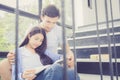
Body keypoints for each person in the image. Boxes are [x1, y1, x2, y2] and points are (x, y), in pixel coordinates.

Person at [0, 4, 79, 80]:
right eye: (48, 21)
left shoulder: (58, 31)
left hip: (50, 61)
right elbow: (23, 47)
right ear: (42, 17)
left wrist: (69, 57)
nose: (51, 26)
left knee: (71, 73)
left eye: (54, 22)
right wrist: (12, 55)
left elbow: (67, 51)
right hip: (41, 68)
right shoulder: (33, 30)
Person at [11, 26, 79, 80]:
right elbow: (14, 77)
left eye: (41, 41)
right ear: (29, 36)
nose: (38, 43)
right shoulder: (18, 52)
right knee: (55, 68)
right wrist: (22, 76)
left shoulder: (43, 51)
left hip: (45, 75)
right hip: (32, 78)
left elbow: (58, 57)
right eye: (36, 39)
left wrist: (66, 58)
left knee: (71, 73)